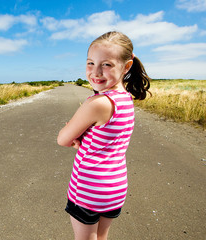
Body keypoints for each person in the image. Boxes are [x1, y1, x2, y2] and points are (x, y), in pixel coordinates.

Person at [57, 31, 151, 240]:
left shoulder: (96, 103)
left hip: (89, 189)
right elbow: (107, 142)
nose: (95, 72)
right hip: (115, 189)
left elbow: (62, 139)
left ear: (126, 67)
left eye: (106, 64)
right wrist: (83, 143)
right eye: (90, 63)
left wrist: (73, 135)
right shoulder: (126, 99)